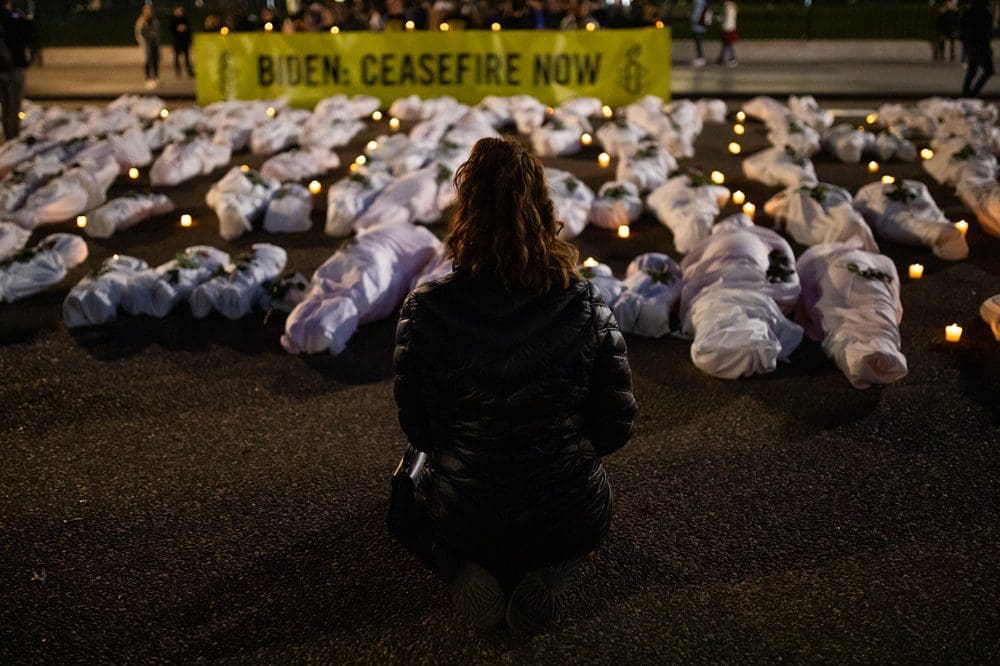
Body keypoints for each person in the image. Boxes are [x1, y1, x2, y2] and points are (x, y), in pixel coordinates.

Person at [391, 137, 637, 631]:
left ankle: (458, 565)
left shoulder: (425, 308)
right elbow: (614, 429)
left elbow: (419, 430)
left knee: (403, 494)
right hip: (568, 512)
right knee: (583, 500)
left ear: (467, 215)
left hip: (463, 515)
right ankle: (555, 563)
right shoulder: (587, 305)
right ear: (544, 212)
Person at [0, 0, 30, 140]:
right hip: (15, 67)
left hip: (2, 69)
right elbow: (30, 34)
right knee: (14, 106)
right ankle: (14, 137)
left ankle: (8, 135)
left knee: (6, 106)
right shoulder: (15, 19)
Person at [961, 0, 994, 97]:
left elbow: (964, 29)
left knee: (972, 71)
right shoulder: (986, 14)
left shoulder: (968, 13)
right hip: (982, 46)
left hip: (972, 45)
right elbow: (986, 33)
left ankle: (967, 93)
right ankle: (972, 94)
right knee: (988, 71)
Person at [134, 5, 161, 89]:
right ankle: (148, 78)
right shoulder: (141, 21)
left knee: (155, 60)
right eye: (146, 11)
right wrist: (143, 41)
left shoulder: (155, 20)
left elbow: (158, 31)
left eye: (149, 10)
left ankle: (156, 77)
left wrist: (155, 37)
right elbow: (138, 33)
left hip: (154, 44)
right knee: (147, 61)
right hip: (146, 45)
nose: (148, 12)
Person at [169, 5, 194, 78]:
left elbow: (189, 29)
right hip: (177, 41)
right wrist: (177, 29)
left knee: (187, 58)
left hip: (185, 41)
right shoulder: (173, 19)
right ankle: (178, 71)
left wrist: (185, 29)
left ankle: (189, 71)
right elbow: (171, 29)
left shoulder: (185, 18)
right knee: (176, 57)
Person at [715, 0, 737, 67]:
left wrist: (717, 18)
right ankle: (721, 59)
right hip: (731, 28)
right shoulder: (733, 7)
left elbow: (723, 18)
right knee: (726, 45)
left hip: (727, 29)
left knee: (729, 45)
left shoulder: (727, 7)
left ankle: (732, 59)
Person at [691, 0, 711, 67]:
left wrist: (692, 17)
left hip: (698, 27)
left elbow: (696, 16)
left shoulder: (699, 3)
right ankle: (700, 58)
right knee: (699, 43)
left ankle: (700, 58)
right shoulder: (703, 3)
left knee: (698, 43)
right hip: (702, 26)